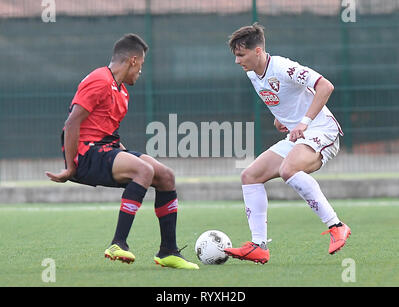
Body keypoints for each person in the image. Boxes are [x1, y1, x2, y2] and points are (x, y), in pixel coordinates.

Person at [45, 33, 198, 270]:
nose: (141, 72)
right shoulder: (99, 80)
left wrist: (126, 155)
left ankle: (168, 251)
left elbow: (108, 133)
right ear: (133, 61)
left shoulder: (122, 91)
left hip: (106, 149)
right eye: (142, 66)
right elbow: (72, 123)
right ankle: (118, 243)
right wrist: (70, 168)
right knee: (143, 170)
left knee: (166, 176)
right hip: (86, 154)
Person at [224, 23, 351, 264]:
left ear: (258, 51)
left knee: (288, 170)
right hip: (298, 135)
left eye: (241, 55)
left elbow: (325, 86)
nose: (237, 61)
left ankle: (336, 226)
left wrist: (303, 122)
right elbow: (286, 98)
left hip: (321, 129)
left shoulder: (284, 67)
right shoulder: (253, 74)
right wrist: (281, 119)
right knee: (250, 176)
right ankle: (258, 246)